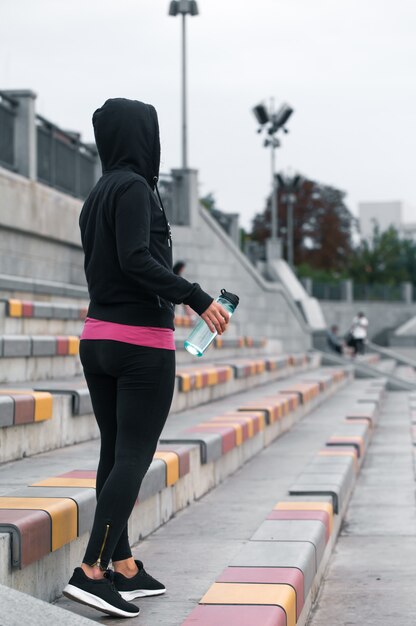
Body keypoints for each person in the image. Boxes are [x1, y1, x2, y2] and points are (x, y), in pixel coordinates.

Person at [63, 98, 230, 618]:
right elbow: (137, 257)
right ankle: (91, 570)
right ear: (144, 138)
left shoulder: (98, 193)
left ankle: (123, 564)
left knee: (115, 451)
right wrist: (195, 295)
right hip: (139, 346)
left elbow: (119, 262)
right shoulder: (135, 188)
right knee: (133, 454)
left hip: (99, 339)